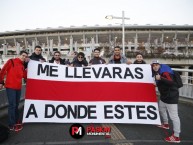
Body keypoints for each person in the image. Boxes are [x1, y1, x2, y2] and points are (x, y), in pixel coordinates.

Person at [151, 60, 181, 143]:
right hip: (164, 96)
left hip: (171, 97)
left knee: (174, 116)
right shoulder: (157, 73)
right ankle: (166, 124)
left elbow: (171, 82)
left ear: (160, 66)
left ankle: (176, 136)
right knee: (161, 109)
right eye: (154, 65)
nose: (155, 66)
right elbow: (163, 83)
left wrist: (161, 78)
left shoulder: (165, 73)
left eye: (157, 65)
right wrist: (157, 83)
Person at [0, 51, 28, 132]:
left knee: (16, 105)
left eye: (25, 56)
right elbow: (3, 71)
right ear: (19, 55)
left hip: (18, 88)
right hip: (10, 87)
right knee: (12, 105)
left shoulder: (22, 65)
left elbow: (25, 75)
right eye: (23, 55)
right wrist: (1, 82)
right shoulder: (11, 61)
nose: (24, 57)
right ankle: (11, 124)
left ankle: (16, 121)